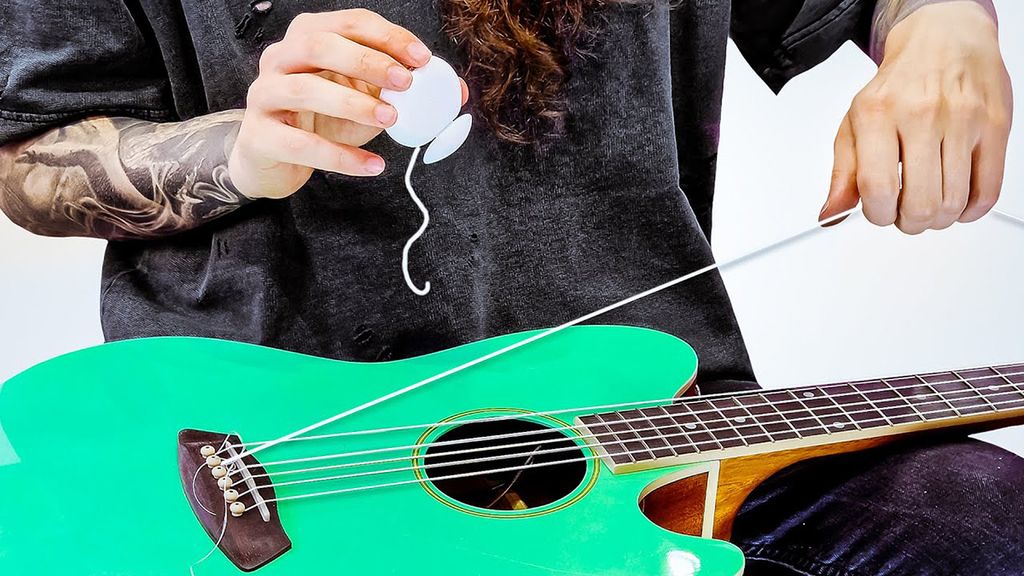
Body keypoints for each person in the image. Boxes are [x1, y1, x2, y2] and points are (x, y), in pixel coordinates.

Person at [0, 0, 1018, 574]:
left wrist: (946, 32)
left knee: (981, 525)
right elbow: (32, 159)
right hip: (265, 475)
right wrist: (248, 150)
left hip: (656, 440)